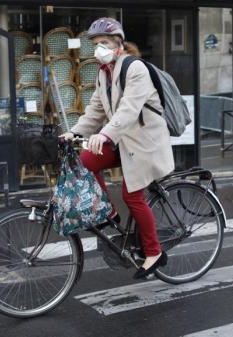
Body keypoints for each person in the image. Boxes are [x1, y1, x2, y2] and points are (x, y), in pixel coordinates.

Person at [59, 17, 174, 279]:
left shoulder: (136, 70)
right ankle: (107, 212)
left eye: (105, 43)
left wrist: (105, 134)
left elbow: (129, 110)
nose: (99, 48)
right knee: (86, 161)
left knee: (132, 196)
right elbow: (96, 110)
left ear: (118, 44)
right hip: (123, 139)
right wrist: (75, 132)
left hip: (144, 142)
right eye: (96, 43)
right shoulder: (103, 73)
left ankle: (154, 253)